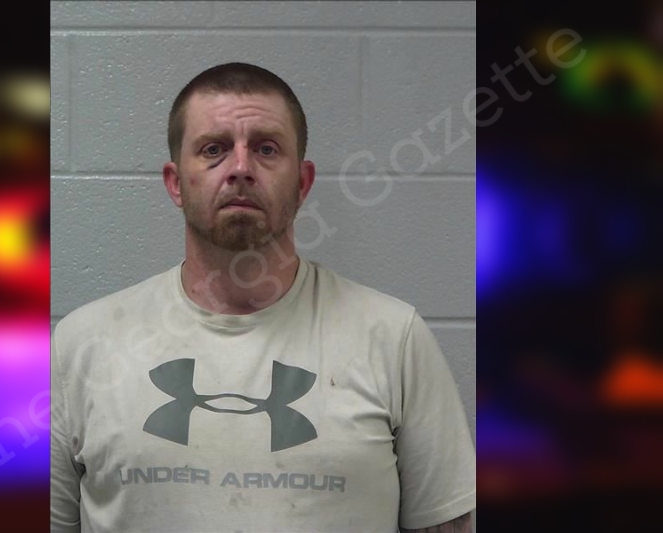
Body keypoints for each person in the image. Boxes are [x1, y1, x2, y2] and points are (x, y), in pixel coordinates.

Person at [51, 62, 476, 532]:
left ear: (303, 183)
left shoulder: (394, 339)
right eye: (213, 149)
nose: (240, 168)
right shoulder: (82, 345)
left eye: (266, 149)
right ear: (175, 183)